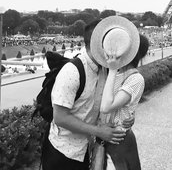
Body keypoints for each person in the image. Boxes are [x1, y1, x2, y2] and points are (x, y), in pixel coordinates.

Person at [41, 19, 132, 170]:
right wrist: (99, 131)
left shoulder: (105, 69)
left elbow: (108, 104)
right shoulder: (72, 72)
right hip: (62, 152)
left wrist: (125, 117)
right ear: (99, 45)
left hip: (86, 150)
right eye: (111, 44)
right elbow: (60, 117)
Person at [100, 34, 149, 170]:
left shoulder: (135, 79)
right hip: (102, 136)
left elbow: (106, 107)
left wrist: (113, 70)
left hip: (119, 139)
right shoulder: (109, 72)